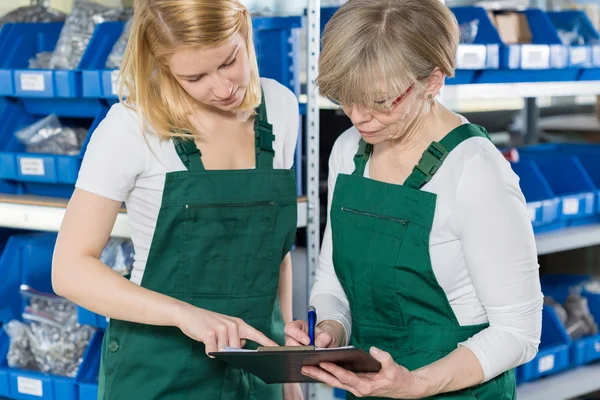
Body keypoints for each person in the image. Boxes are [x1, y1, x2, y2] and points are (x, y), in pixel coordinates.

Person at [285, 1, 543, 399]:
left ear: (433, 81)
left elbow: (519, 331)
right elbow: (333, 279)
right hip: (368, 389)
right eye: (346, 98)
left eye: (381, 101)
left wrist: (416, 383)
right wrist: (331, 328)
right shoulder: (348, 153)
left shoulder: (476, 172)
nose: (358, 117)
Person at [52, 0, 303, 399]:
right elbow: (69, 270)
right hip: (158, 371)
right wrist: (185, 315)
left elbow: (276, 253)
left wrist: (289, 374)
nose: (223, 88)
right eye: (195, 76)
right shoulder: (132, 128)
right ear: (163, 64)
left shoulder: (282, 109)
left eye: (229, 61)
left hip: (257, 370)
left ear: (245, 29)